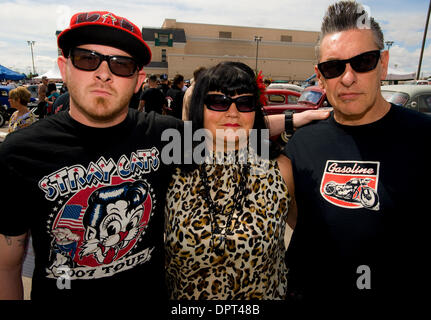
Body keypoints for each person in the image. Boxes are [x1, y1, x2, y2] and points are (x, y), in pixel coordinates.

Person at [0, 10, 326, 302]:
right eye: (87, 59)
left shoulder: (166, 136)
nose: (103, 73)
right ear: (64, 66)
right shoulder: (20, 152)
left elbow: (232, 131)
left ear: (138, 79)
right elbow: (6, 268)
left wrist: (301, 119)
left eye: (121, 64)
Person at [283, 0, 431, 307]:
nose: (348, 77)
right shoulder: (301, 144)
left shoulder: (425, 137)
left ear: (383, 64)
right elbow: (295, 216)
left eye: (362, 61)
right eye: (334, 67)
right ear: (320, 76)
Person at [164, 62, 296, 299]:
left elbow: (311, 236)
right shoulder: (171, 170)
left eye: (245, 103)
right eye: (219, 101)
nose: (233, 113)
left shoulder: (281, 169)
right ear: (199, 107)